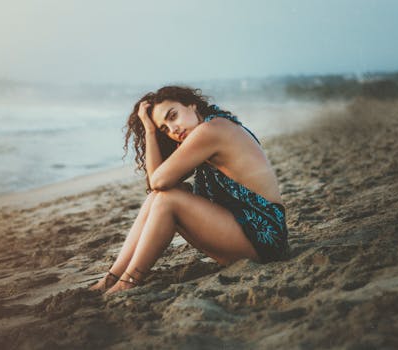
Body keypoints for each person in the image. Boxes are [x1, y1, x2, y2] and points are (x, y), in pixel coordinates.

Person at [89, 86, 288, 294]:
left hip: (264, 239)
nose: (173, 129)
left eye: (173, 116)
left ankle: (127, 282)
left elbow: (157, 180)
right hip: (253, 235)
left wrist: (149, 130)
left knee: (168, 200)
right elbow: (156, 185)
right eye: (164, 128)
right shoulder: (209, 125)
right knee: (159, 197)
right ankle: (111, 279)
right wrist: (151, 130)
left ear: (191, 105)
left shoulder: (210, 131)